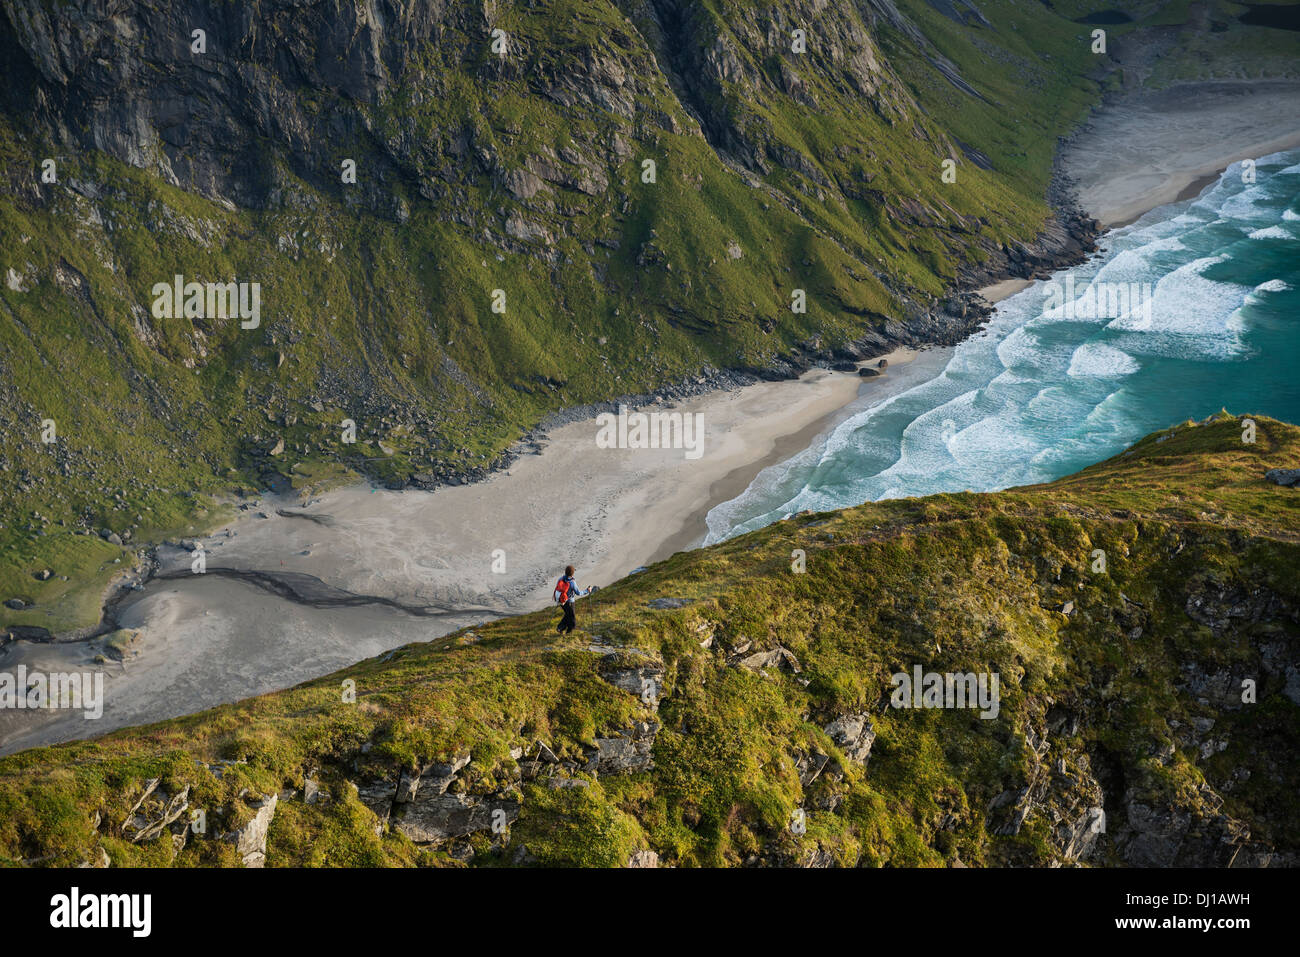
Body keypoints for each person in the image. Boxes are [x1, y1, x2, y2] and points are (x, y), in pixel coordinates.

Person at [554, 565, 582, 635]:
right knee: (571, 617)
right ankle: (569, 631)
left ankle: (561, 628)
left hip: (562, 601)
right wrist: (587, 591)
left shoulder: (560, 579)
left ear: (565, 572)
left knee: (568, 615)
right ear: (572, 573)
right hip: (570, 602)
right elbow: (578, 593)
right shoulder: (572, 582)